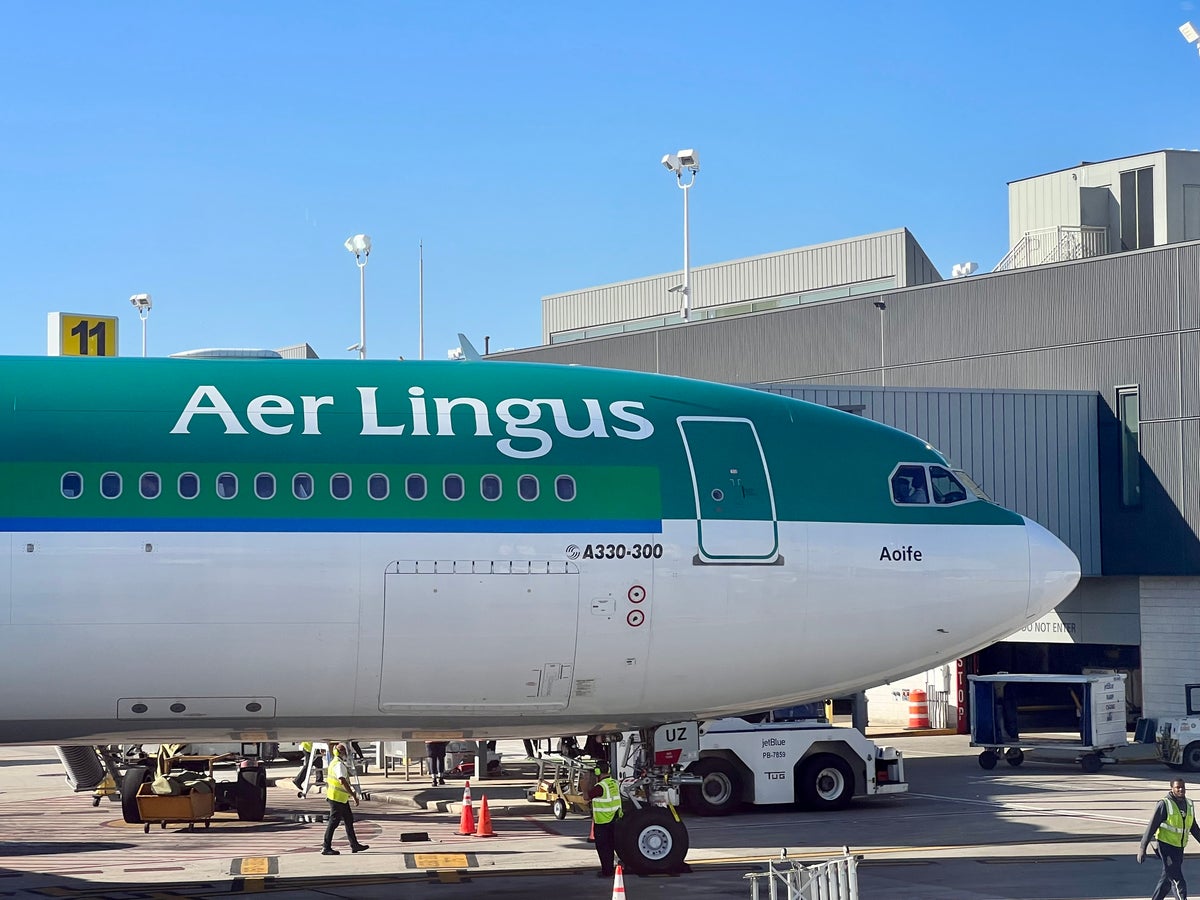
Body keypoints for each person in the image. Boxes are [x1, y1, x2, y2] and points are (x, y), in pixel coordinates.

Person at [1138, 777, 1200, 899]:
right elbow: (1152, 827)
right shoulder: (1164, 804)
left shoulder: (1189, 804)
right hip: (1165, 846)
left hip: (1179, 847)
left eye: (1183, 787)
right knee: (1177, 880)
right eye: (1178, 787)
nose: (1181, 790)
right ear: (1172, 788)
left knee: (1166, 880)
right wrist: (1142, 847)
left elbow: (1194, 828)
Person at [322, 743, 369, 856]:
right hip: (337, 798)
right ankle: (326, 847)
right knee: (333, 823)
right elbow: (342, 781)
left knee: (349, 820)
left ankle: (354, 845)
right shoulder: (339, 765)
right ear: (342, 753)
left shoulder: (334, 762)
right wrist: (353, 795)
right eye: (344, 752)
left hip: (339, 798)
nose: (346, 754)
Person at [588, 758, 623, 879]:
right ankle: (615, 867)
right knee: (612, 846)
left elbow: (587, 796)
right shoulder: (614, 783)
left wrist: (586, 782)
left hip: (603, 821)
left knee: (603, 848)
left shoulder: (600, 787)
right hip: (615, 819)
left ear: (597, 772)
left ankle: (607, 871)